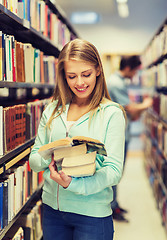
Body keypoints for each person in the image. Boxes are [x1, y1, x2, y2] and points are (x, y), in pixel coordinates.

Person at [29, 38, 126, 240]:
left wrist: (72, 184)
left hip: (93, 214)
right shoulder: (52, 110)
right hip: (52, 211)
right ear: (63, 76)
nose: (79, 83)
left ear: (98, 70)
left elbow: (114, 171)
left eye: (86, 74)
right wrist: (51, 154)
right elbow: (35, 162)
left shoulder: (111, 113)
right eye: (72, 76)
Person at [107, 55, 153, 222]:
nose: (135, 75)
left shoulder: (118, 82)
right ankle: (111, 207)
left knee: (117, 172)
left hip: (122, 132)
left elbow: (130, 113)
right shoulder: (116, 83)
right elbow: (132, 110)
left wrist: (136, 110)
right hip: (117, 135)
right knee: (115, 171)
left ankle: (114, 204)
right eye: (135, 71)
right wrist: (146, 105)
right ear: (128, 68)